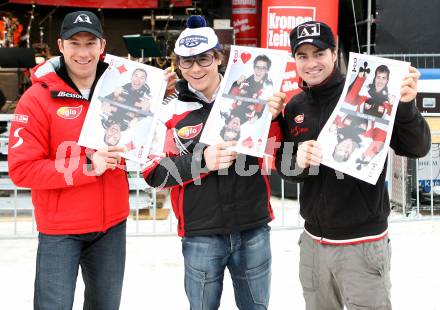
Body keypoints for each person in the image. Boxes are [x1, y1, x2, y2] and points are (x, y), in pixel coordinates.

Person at [7, 11, 176, 309]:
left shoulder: (119, 89)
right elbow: (22, 170)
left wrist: (162, 95)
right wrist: (87, 165)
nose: (83, 52)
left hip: (110, 227)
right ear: (60, 45)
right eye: (75, 43)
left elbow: (143, 130)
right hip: (61, 230)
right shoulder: (36, 98)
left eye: (90, 43)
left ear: (103, 46)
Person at [275, 21, 431, 310]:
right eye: (302, 56)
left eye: (319, 53)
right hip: (313, 244)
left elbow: (417, 147)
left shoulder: (367, 94)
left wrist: (407, 106)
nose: (311, 63)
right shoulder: (295, 106)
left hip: (362, 243)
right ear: (294, 60)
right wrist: (297, 160)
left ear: (335, 54)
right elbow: (286, 170)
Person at [143, 15, 285, 310]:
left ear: (219, 57)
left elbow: (277, 152)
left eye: (204, 59)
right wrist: (201, 162)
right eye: (187, 62)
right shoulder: (167, 109)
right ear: (177, 65)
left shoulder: (251, 96)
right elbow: (153, 173)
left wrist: (273, 118)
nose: (195, 69)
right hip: (201, 233)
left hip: (252, 226)